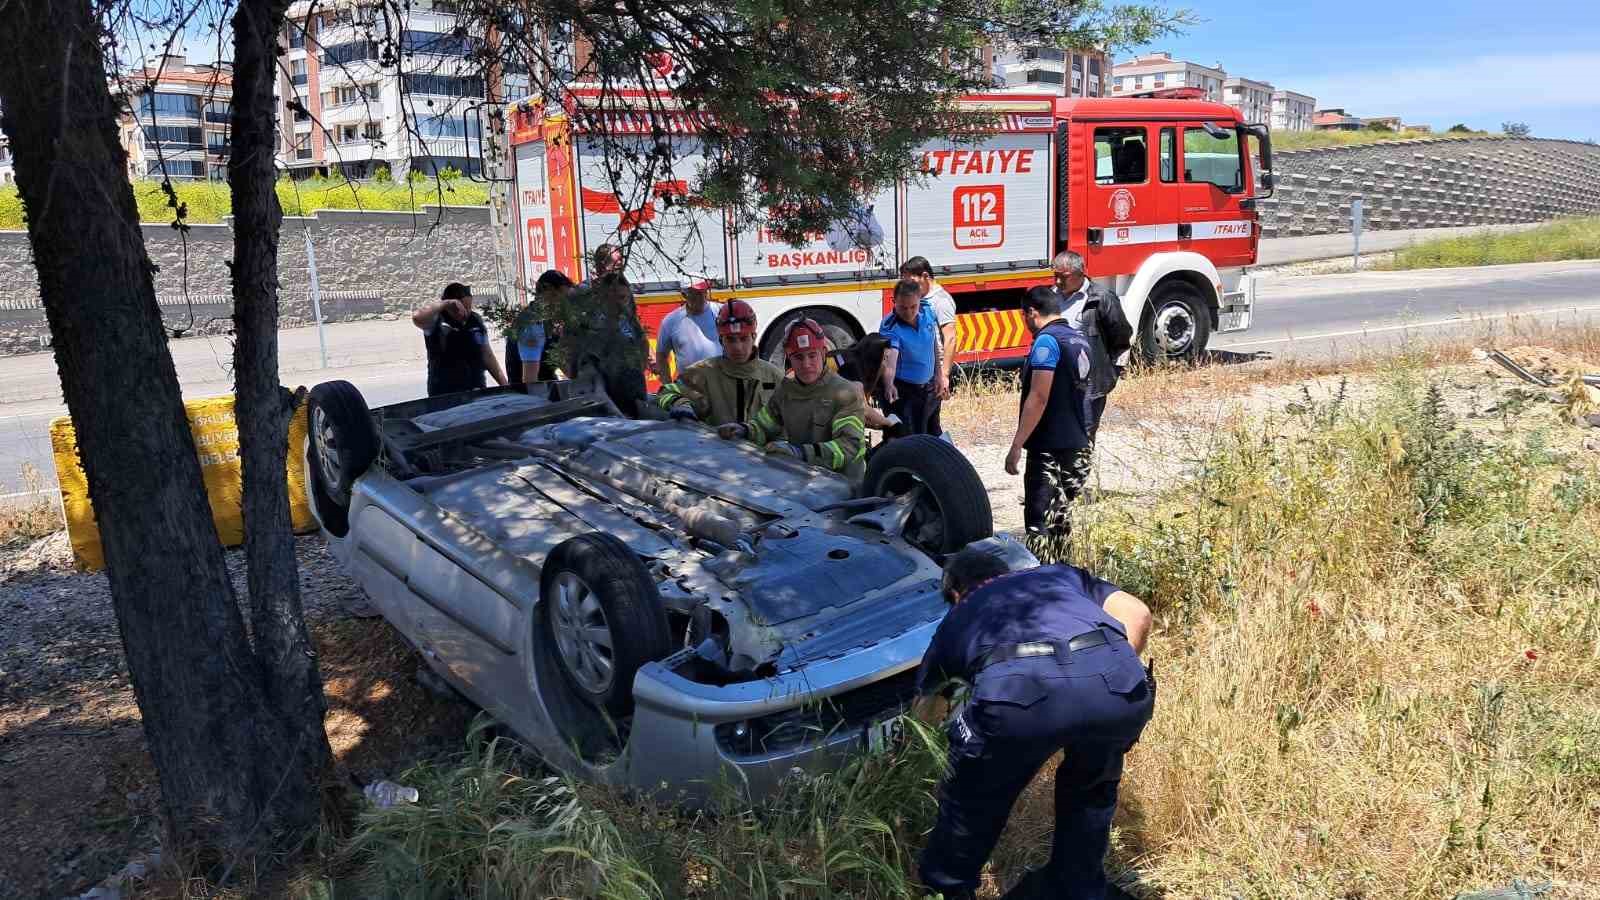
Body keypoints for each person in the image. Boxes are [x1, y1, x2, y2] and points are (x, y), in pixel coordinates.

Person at [914, 547, 1155, 900]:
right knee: (1091, 785)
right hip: (1118, 686)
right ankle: (1078, 887)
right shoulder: (1058, 575)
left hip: (1016, 698)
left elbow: (925, 714)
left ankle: (946, 889)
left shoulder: (958, 616)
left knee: (970, 801)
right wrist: (1101, 678)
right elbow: (1139, 613)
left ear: (954, 592)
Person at [1006, 286, 1110, 554]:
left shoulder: (1046, 342)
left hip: (1049, 447)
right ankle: (1064, 577)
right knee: (1060, 521)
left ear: (1031, 312)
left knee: (1040, 523)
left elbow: (1039, 396)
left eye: (1024, 316)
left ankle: (1044, 583)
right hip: (1077, 443)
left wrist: (1017, 444)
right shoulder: (1079, 339)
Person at [717, 318, 868, 478]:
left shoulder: (845, 393)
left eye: (812, 355)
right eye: (798, 357)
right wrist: (745, 430)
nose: (806, 364)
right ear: (789, 358)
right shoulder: (786, 390)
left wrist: (801, 453)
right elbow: (764, 426)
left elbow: (849, 447)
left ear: (824, 353)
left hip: (845, 484)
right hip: (805, 477)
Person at [656, 299, 782, 426]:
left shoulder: (773, 376)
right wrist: (681, 403)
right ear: (721, 340)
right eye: (731, 340)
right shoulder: (702, 373)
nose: (738, 347)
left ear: (753, 337)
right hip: (716, 445)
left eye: (743, 338)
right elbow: (665, 392)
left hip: (760, 446)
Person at [554, 271, 649, 417]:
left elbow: (643, 344)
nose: (618, 303)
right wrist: (579, 376)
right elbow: (561, 355)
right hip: (604, 408)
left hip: (635, 398)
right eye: (612, 298)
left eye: (623, 298)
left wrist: (637, 368)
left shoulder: (630, 320)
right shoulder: (586, 325)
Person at [1051, 250, 1133, 402]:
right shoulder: (1051, 296)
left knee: (1086, 425)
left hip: (1089, 382)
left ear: (1080, 273)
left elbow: (1121, 333)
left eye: (1064, 277)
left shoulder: (1101, 298)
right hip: (1057, 378)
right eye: (1055, 276)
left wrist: (1112, 370)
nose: (1057, 282)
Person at [412, 282, 507, 397]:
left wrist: (505, 386)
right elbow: (417, 317)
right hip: (444, 395)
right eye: (462, 307)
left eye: (469, 307)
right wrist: (446, 303)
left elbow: (487, 355)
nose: (466, 312)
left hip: (476, 391)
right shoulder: (435, 320)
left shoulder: (475, 320)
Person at [878, 278, 947, 437]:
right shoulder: (890, 326)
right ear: (894, 302)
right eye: (902, 307)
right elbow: (890, 359)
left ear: (920, 300)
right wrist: (888, 384)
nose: (908, 312)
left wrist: (939, 375)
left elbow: (932, 345)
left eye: (913, 307)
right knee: (910, 438)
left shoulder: (927, 312)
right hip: (905, 391)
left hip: (929, 388)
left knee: (934, 433)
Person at [900, 256, 958, 405]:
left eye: (912, 282)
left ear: (925, 276)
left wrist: (944, 375)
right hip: (920, 370)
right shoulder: (921, 297)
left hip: (933, 373)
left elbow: (950, 338)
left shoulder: (941, 301)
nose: (909, 287)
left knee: (928, 419)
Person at [506, 269, 571, 384]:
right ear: (549, 294)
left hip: (545, 390)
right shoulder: (532, 326)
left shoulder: (547, 322)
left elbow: (566, 369)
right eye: (563, 298)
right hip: (529, 397)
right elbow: (530, 381)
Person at [654, 275, 723, 381]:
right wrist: (668, 386)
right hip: (689, 388)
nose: (701, 297)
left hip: (720, 384)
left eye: (703, 292)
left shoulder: (721, 312)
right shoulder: (671, 321)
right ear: (684, 295)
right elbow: (661, 356)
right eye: (695, 294)